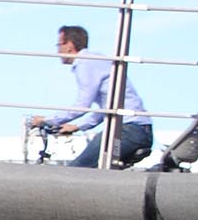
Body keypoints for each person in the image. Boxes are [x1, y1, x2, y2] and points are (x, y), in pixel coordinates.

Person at [25, 25, 153, 169]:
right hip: (137, 129)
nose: (57, 50)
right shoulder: (95, 60)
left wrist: (46, 120)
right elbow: (109, 108)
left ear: (69, 45)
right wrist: (77, 126)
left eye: (59, 44)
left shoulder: (85, 63)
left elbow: (82, 105)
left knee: (75, 171)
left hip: (128, 130)